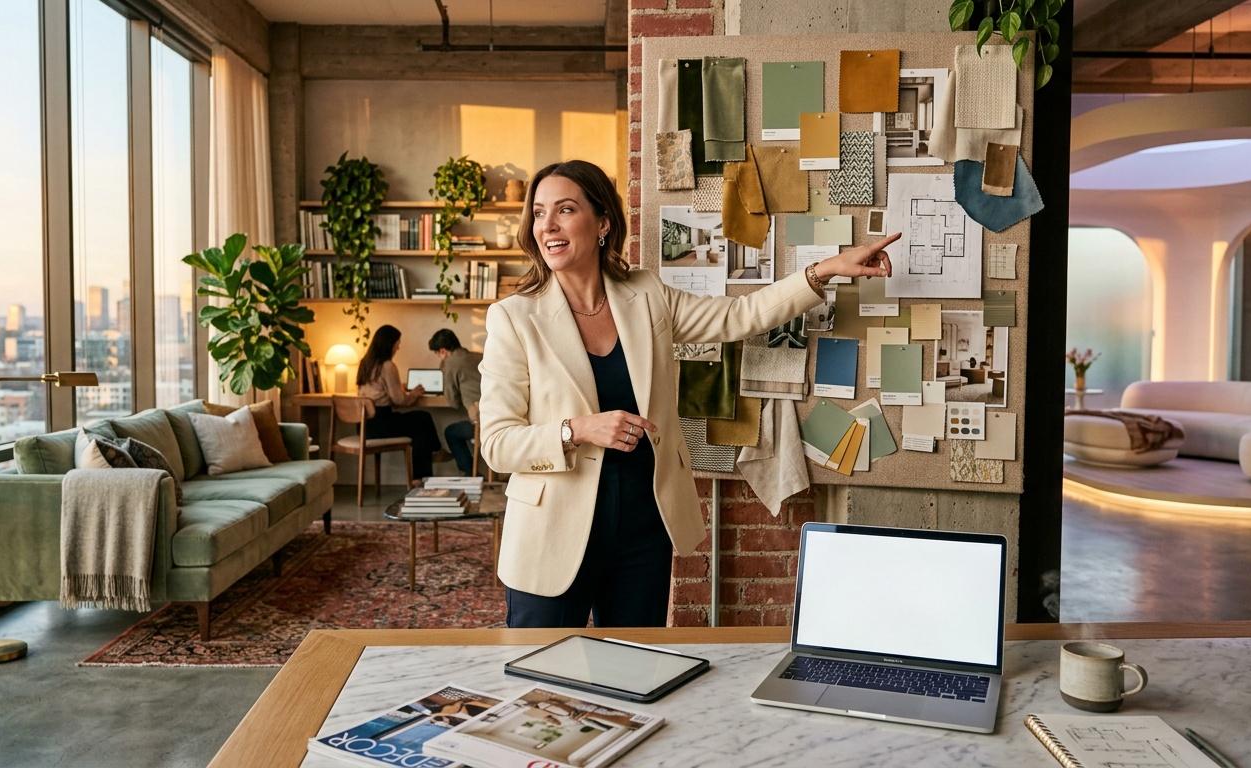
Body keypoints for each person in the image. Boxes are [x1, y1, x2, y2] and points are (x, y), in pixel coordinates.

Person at [479, 160, 899, 628]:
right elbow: (497, 444)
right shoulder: (513, 319)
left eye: (565, 209)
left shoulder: (646, 296)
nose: (548, 226)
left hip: (642, 525)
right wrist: (577, 429)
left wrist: (825, 271)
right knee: (543, 681)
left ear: (601, 223)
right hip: (550, 534)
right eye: (538, 213)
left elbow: (740, 315)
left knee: (633, 672)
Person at [356, 325, 444, 481]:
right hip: (381, 423)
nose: (399, 346)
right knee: (422, 420)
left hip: (364, 426)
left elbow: (380, 392)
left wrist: (399, 389)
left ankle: (423, 474)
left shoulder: (365, 363)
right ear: (389, 343)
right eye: (398, 342)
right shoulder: (388, 365)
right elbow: (400, 401)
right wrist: (414, 394)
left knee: (418, 426)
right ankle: (432, 458)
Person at [429, 329, 483, 475]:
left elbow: (453, 402)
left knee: (451, 432)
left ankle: (471, 473)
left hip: (480, 425)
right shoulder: (480, 357)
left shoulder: (451, 363)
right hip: (498, 420)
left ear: (443, 351)